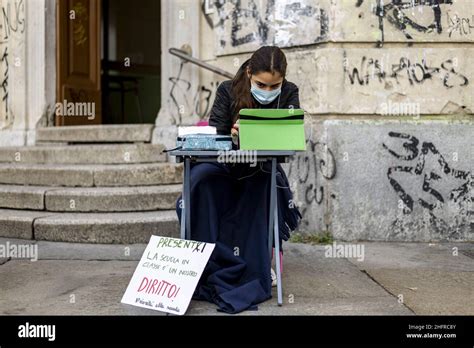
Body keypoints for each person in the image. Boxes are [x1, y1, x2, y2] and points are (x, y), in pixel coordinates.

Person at [175, 45, 302, 314]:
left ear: (283, 81)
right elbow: (216, 139)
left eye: (274, 86)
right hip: (224, 164)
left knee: (261, 187)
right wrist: (233, 138)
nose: (267, 92)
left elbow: (289, 141)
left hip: (261, 168)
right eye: (261, 85)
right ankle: (201, 263)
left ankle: (253, 262)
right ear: (248, 73)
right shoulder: (227, 90)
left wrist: (259, 135)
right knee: (199, 182)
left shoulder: (290, 92)